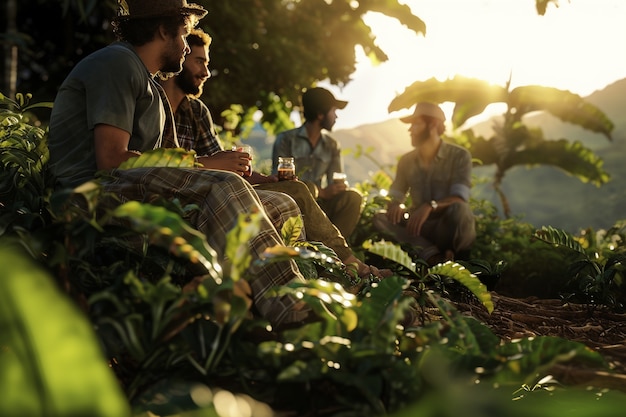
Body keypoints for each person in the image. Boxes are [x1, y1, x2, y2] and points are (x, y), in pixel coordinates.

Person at [47, 0, 311, 328]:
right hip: (89, 193)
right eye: (185, 35)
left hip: (133, 188)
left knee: (280, 204)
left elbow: (175, 165)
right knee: (227, 187)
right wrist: (210, 166)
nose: (186, 47)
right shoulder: (118, 63)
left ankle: (255, 313)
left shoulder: (153, 89)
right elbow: (111, 159)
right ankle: (297, 317)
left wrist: (248, 178)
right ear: (162, 30)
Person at [158, 28, 389, 281]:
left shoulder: (197, 112)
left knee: (304, 189)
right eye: (199, 61)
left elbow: (222, 162)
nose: (205, 72)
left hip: (222, 188)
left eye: (206, 63)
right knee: (303, 190)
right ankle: (348, 265)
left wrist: (265, 179)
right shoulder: (152, 103)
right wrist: (212, 164)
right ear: (180, 56)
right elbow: (159, 165)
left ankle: (334, 263)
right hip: (197, 195)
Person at [373, 102, 476, 266]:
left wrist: (430, 206)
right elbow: (396, 193)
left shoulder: (459, 156)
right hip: (418, 228)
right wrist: (395, 205)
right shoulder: (407, 161)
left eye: (416, 124)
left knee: (460, 210)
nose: (410, 129)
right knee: (381, 218)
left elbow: (459, 198)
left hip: (446, 227)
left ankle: (448, 254)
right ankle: (433, 256)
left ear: (433, 125)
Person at [271, 87, 363, 239]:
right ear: (320, 114)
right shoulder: (286, 140)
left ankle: (334, 250)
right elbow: (279, 182)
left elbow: (335, 179)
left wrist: (337, 188)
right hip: (293, 204)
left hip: (321, 205)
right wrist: (320, 191)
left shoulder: (332, 145)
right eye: (334, 111)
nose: (336, 117)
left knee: (353, 198)